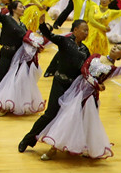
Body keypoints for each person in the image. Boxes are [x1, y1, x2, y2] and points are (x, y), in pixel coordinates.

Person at [36, 42, 121, 160]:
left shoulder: (113, 69)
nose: (114, 48)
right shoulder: (96, 56)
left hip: (89, 97)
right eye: (115, 46)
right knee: (67, 117)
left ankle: (55, 149)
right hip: (76, 90)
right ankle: (57, 147)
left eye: (118, 49)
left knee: (76, 121)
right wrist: (93, 81)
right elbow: (84, 68)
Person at [18, 21, 90, 152]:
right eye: (84, 30)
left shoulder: (85, 50)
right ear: (75, 30)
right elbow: (49, 35)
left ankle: (63, 145)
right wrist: (41, 24)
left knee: (69, 116)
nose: (86, 33)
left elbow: (86, 68)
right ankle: (28, 139)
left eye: (87, 31)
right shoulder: (65, 41)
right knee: (50, 114)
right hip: (60, 83)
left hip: (73, 86)